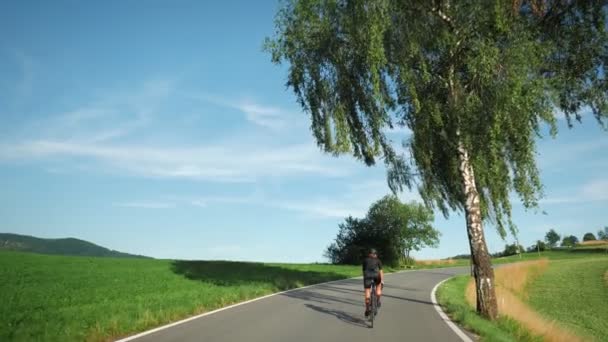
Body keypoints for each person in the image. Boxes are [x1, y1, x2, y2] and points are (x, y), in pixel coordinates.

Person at [362, 248, 383, 317]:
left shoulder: (365, 260)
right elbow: (381, 271)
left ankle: (367, 309)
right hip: (376, 276)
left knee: (367, 292)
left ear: (369, 254)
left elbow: (364, 271)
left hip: (367, 276)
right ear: (375, 255)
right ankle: (378, 300)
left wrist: (365, 278)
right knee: (378, 288)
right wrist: (382, 280)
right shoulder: (378, 260)